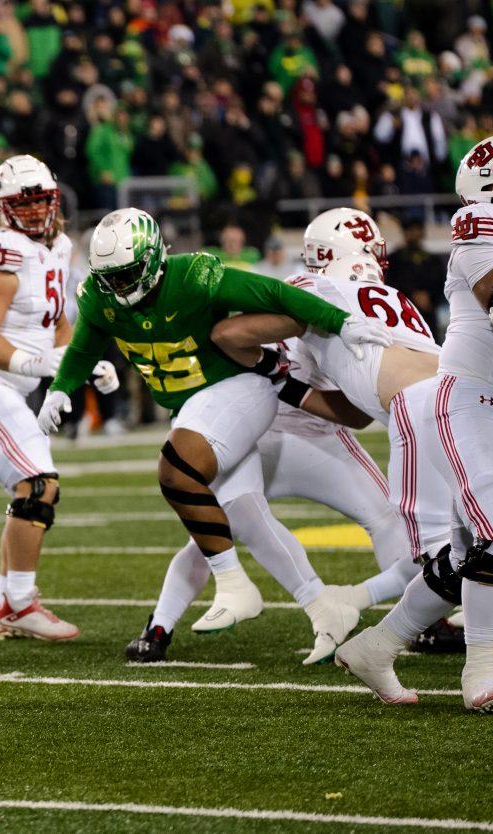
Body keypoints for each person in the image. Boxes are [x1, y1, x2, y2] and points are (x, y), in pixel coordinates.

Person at [38, 208, 393, 663]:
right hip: (199, 408)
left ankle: (230, 585)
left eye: (128, 276)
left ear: (151, 261)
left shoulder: (194, 276)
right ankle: (321, 606)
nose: (120, 288)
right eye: (112, 278)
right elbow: (85, 344)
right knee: (233, 515)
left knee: (179, 474)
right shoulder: (99, 297)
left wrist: (341, 322)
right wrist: (62, 388)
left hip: (240, 394)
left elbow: (273, 293)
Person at [334, 135, 493, 712]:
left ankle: (377, 646)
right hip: (471, 396)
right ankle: (480, 670)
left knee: (469, 554)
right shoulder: (479, 220)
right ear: (491, 180)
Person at [0, 154, 115, 641]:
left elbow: (57, 322)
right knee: (38, 484)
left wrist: (78, 363)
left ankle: (3, 606)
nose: (36, 210)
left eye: (42, 199)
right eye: (25, 201)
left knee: (28, 490)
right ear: (2, 206)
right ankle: (20, 603)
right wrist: (38, 365)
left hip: (9, 388)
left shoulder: (60, 245)